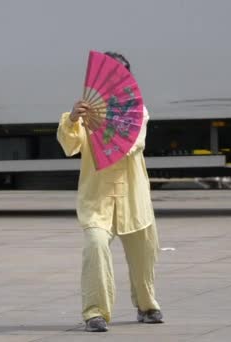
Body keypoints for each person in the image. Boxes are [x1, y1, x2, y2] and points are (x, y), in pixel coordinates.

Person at [57, 52, 164, 333]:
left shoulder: (138, 112)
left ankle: (146, 305)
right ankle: (95, 312)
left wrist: (100, 125)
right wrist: (72, 121)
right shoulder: (82, 113)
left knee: (144, 253)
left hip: (132, 197)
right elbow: (69, 146)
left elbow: (130, 145)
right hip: (98, 199)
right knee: (95, 246)